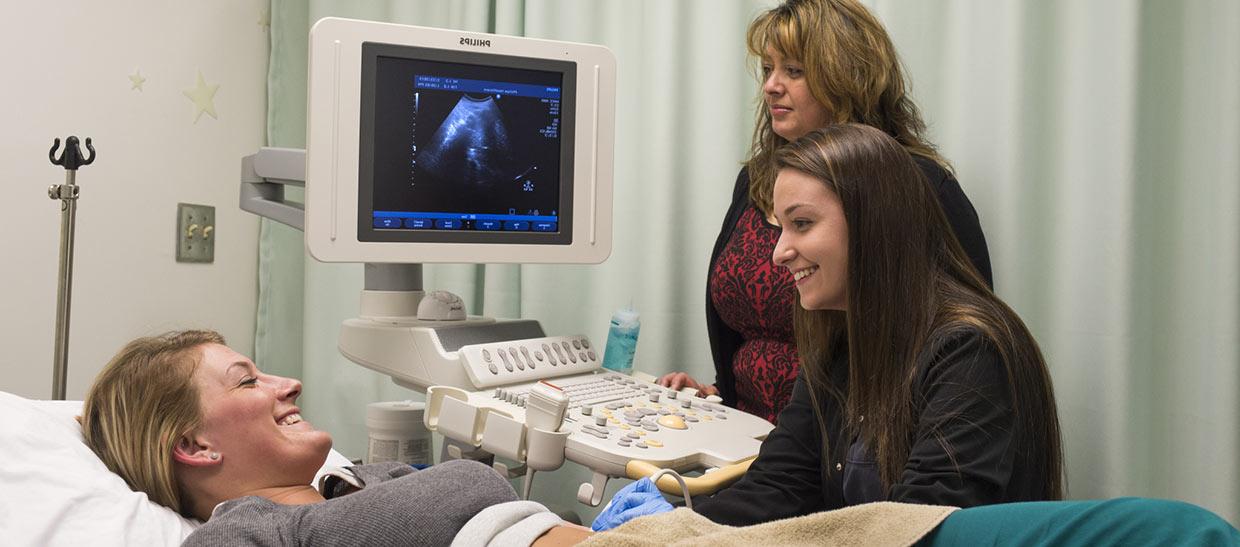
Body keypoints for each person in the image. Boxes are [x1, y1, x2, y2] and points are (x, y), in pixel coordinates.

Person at [621, 124, 1062, 528]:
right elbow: (777, 486)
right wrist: (669, 527)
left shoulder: (969, 354)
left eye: (803, 224)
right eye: (781, 228)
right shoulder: (841, 342)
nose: (779, 253)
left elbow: (913, 530)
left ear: (874, 223)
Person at [657, 0, 993, 424]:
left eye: (794, 71)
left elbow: (966, 350)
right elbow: (750, 337)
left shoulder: (921, 190)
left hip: (847, 454)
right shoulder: (759, 181)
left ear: (847, 78)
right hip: (743, 437)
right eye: (767, 69)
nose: (771, 87)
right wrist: (714, 394)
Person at [79, 330, 592, 546]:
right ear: (194, 446)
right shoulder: (239, 534)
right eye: (248, 380)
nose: (291, 385)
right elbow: (465, 491)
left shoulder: (356, 483)